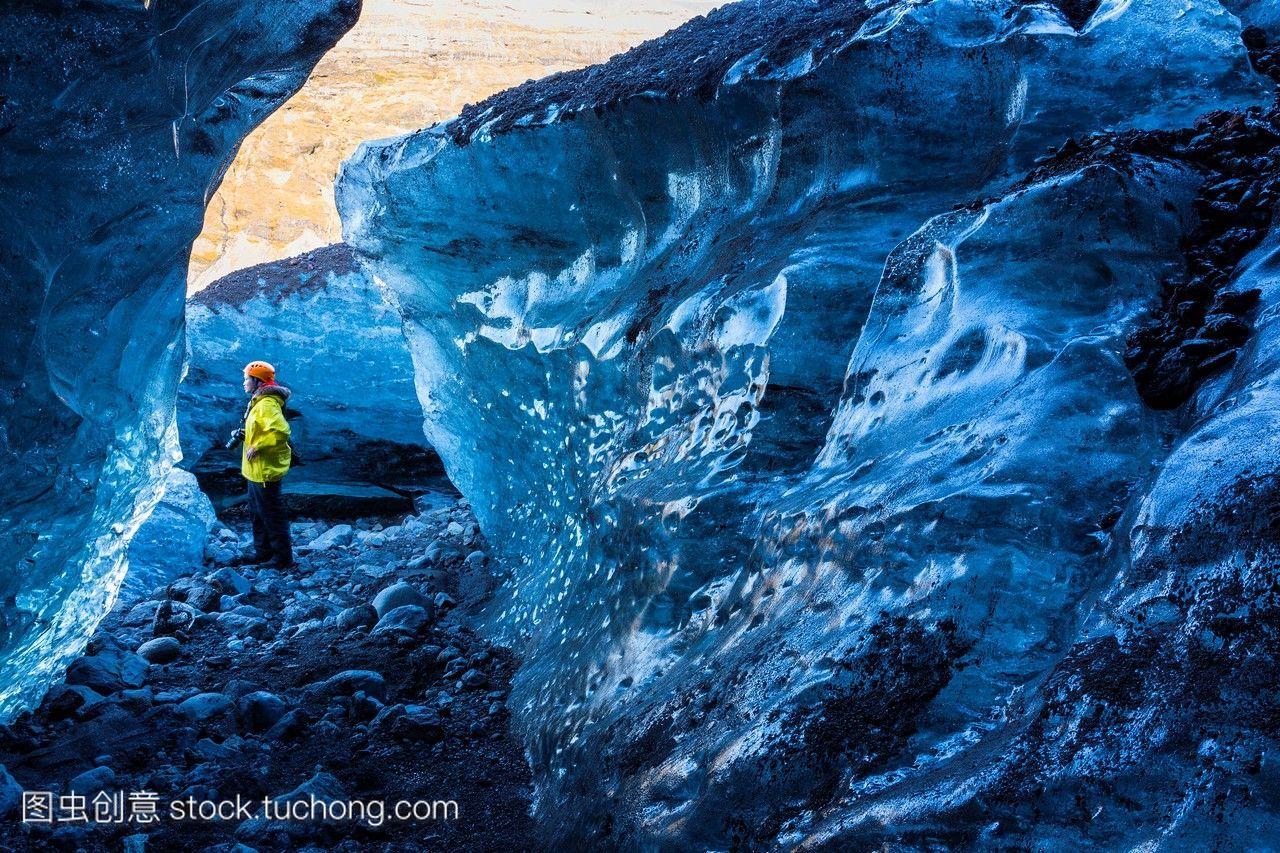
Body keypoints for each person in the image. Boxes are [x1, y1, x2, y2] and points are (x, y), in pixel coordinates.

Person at [233, 360, 294, 568]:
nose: (243, 383)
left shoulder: (267, 404)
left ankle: (282, 558)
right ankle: (263, 552)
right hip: (255, 470)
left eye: (246, 379)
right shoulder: (259, 400)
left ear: (257, 381)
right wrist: (247, 435)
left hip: (265, 470)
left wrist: (258, 446)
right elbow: (262, 429)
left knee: (271, 513)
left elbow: (281, 431)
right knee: (258, 512)